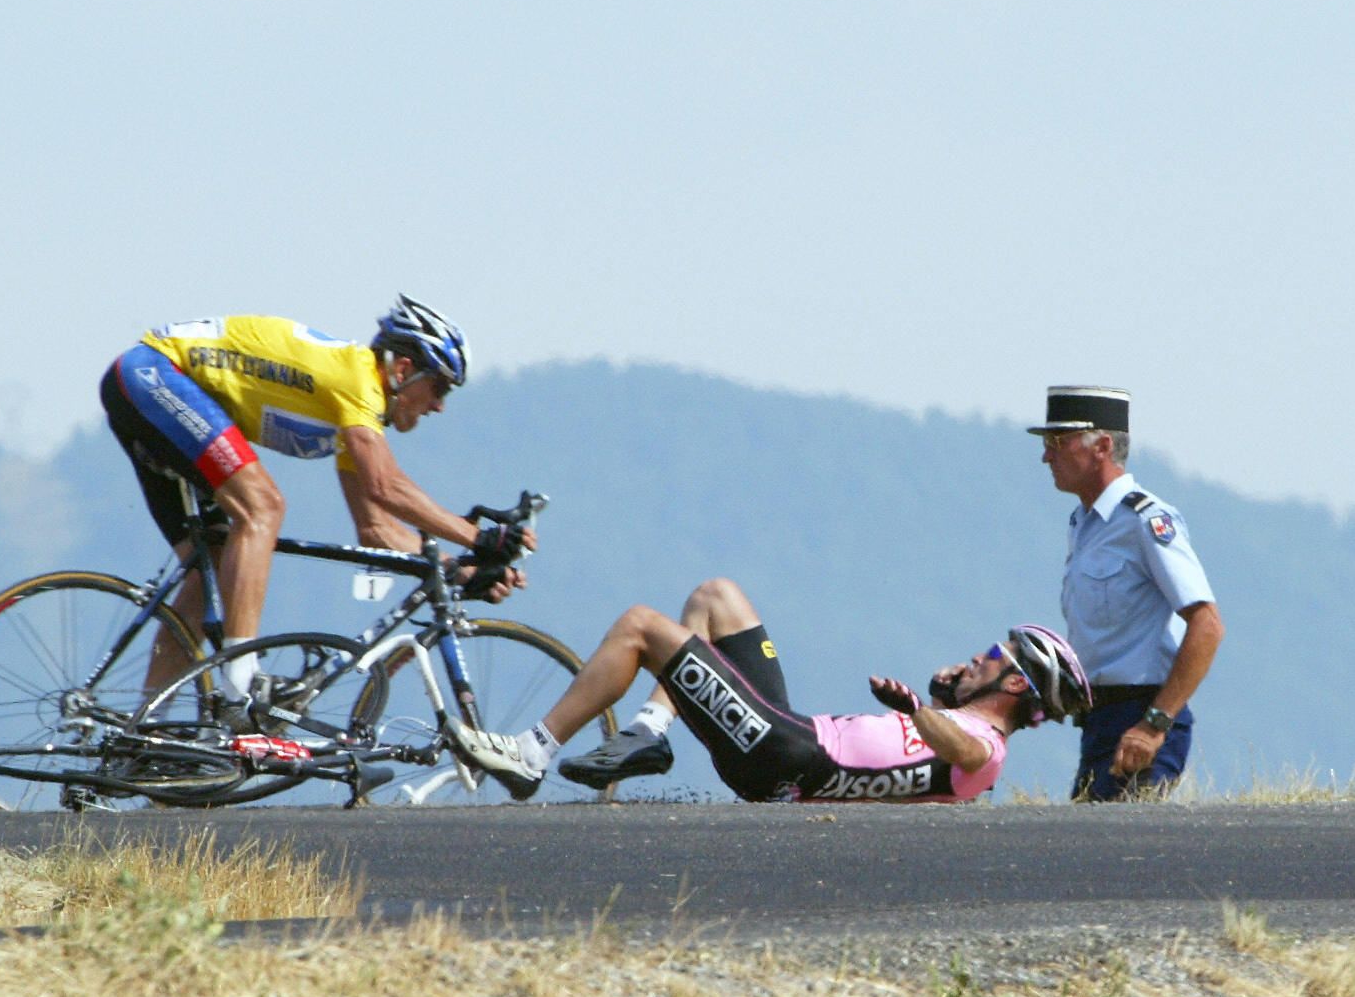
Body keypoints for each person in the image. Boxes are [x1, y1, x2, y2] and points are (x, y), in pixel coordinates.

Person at [98, 297, 529, 707]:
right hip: (153, 374)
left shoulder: (353, 416)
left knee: (209, 561)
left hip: (141, 384)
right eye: (440, 388)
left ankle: (146, 727)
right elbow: (386, 485)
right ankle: (240, 684)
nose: (439, 406)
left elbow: (376, 529)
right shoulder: (357, 380)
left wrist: (460, 570)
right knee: (263, 507)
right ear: (403, 369)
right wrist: (480, 537)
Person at [445, 576, 1090, 803]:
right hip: (789, 735)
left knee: (642, 626)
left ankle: (532, 753)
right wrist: (939, 699)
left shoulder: (986, 751)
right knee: (716, 598)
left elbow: (965, 752)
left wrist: (924, 710)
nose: (975, 656)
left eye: (992, 656)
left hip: (784, 757)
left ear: (1013, 682)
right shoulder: (966, 722)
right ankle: (650, 732)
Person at [1030, 386, 1224, 801]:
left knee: (1117, 854)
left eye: (1057, 443)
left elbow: (1207, 624)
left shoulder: (1145, 521)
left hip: (1141, 718)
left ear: (1101, 446)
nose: (1047, 456)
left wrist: (1155, 724)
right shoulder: (1084, 524)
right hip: (1099, 719)